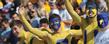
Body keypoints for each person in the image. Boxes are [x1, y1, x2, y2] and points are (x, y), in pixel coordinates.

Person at [18, 6, 82, 44]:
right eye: (52, 22)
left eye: (56, 21)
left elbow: (86, 31)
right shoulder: (48, 36)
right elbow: (30, 29)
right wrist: (21, 16)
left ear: (60, 22)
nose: (54, 24)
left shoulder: (69, 33)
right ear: (50, 25)